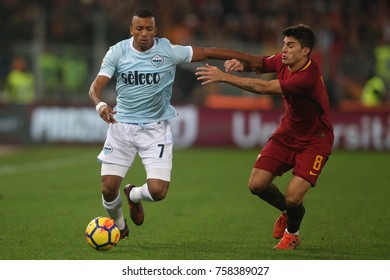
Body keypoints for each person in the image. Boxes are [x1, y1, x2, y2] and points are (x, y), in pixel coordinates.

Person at [88, 8, 262, 241]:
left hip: (155, 129)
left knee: (158, 192)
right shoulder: (117, 52)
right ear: (131, 30)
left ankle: (134, 195)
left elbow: (209, 51)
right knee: (108, 188)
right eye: (139, 29)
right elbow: (95, 87)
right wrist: (100, 104)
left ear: (155, 30)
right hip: (121, 127)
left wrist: (249, 58)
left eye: (149, 29)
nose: (144, 34)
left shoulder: (168, 51)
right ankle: (119, 227)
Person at [196, 24, 334, 250]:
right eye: (284, 44)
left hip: (315, 140)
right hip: (288, 132)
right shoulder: (283, 60)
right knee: (256, 184)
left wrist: (224, 77)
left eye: (291, 45)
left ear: (305, 51)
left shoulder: (307, 78)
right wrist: (243, 64)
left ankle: (292, 234)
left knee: (293, 197)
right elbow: (260, 62)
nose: (284, 50)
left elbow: (264, 88)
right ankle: (287, 212)